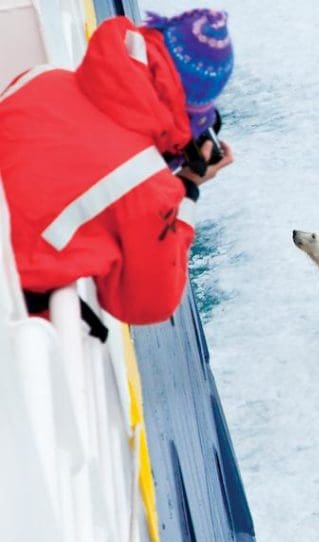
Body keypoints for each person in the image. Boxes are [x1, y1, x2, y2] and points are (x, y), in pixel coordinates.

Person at [0, 9, 234, 328]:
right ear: (195, 105)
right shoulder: (146, 183)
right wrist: (188, 188)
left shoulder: (41, 77)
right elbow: (148, 306)